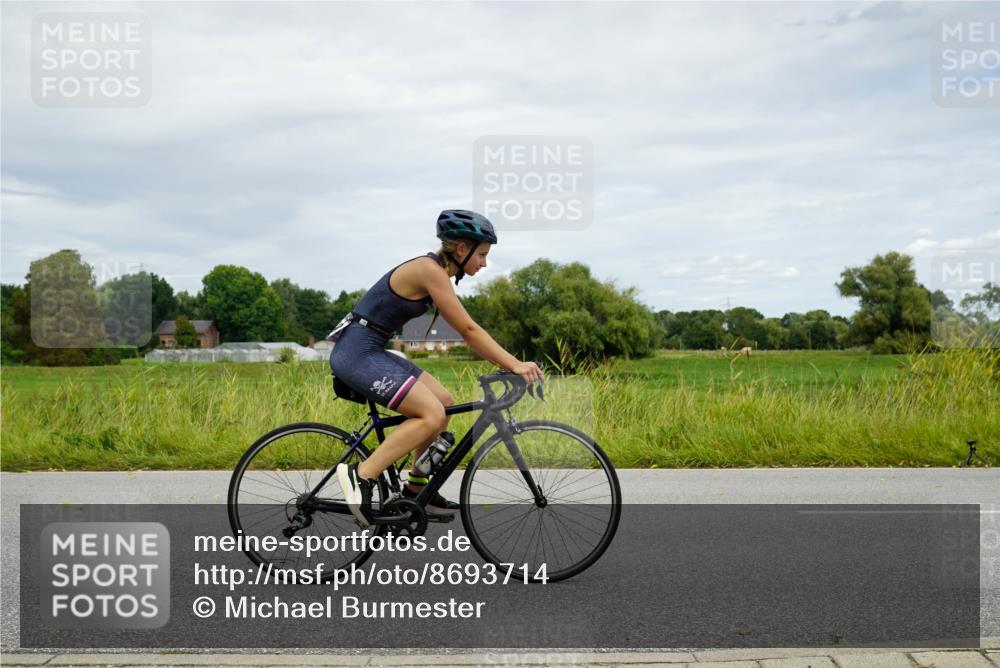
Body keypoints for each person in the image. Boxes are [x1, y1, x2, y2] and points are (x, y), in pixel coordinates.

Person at [331, 210, 544, 527]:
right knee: (429, 414)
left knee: (443, 404)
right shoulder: (429, 271)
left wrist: (507, 362)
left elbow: (468, 329)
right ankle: (360, 474)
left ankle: (419, 489)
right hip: (356, 353)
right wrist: (513, 364)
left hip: (372, 348)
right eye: (482, 255)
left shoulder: (434, 272)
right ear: (461, 249)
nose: (483, 263)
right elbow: (469, 331)